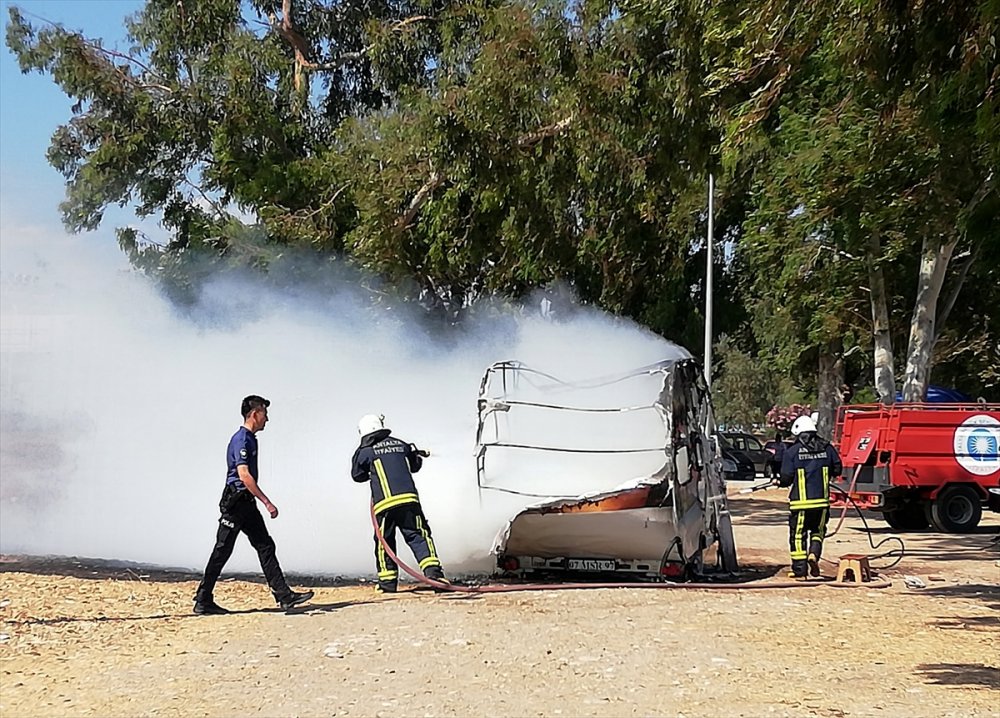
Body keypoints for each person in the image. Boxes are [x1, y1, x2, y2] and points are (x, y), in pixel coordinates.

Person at [193, 395, 314, 614]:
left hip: (246, 504)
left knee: (265, 545)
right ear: (255, 413)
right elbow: (244, 475)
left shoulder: (250, 439)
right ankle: (203, 599)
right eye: (265, 414)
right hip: (237, 502)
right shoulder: (241, 439)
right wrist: (267, 502)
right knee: (222, 550)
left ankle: (284, 596)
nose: (267, 419)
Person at [351, 414, 448, 593]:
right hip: (409, 501)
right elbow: (415, 466)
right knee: (419, 535)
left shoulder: (366, 451)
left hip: (384, 505)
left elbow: (357, 475)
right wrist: (414, 455)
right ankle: (435, 576)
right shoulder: (402, 444)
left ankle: (387, 584)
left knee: (384, 541)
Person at [778, 414, 843, 579]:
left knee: (798, 535)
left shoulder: (792, 452)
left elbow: (785, 477)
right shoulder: (827, 448)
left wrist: (780, 481)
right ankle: (814, 554)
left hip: (800, 504)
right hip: (822, 503)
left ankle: (800, 570)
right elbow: (837, 469)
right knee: (818, 530)